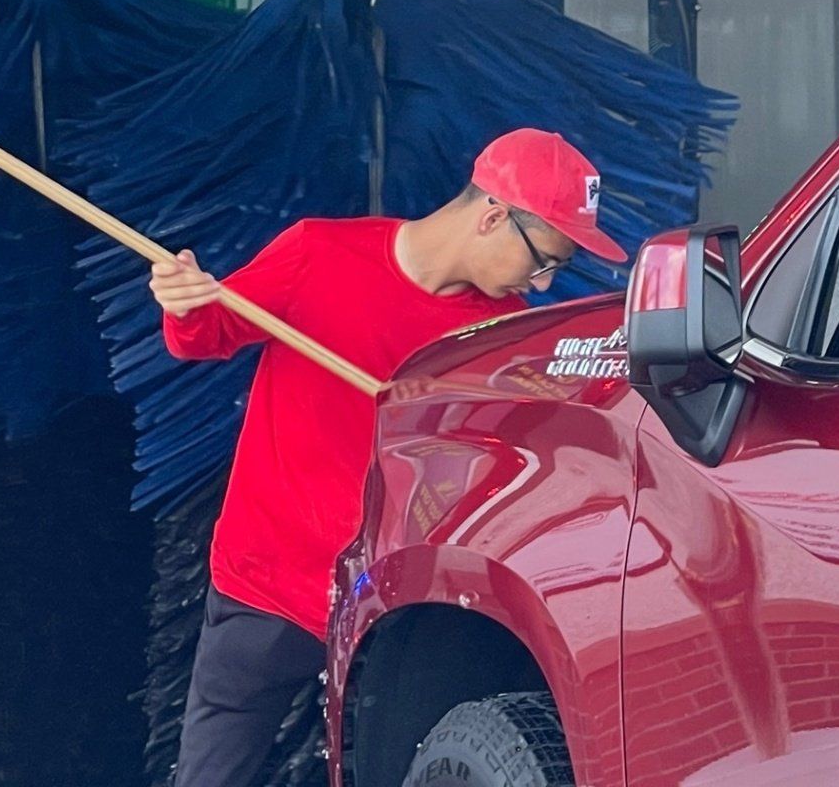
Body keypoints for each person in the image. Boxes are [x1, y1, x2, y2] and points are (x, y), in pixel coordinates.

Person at [148, 127, 627, 787]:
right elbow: (207, 334)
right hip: (266, 581)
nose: (543, 283)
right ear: (492, 216)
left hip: (388, 608)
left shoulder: (503, 336)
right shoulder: (319, 253)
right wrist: (184, 302)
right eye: (544, 259)